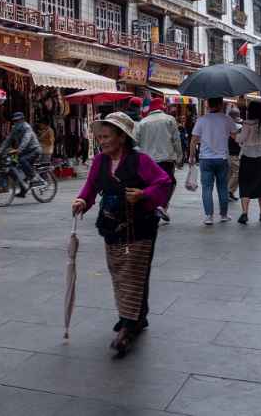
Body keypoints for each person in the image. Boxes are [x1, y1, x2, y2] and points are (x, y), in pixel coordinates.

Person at [71, 112, 172, 356]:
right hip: (111, 224)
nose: (102, 141)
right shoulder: (99, 162)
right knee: (119, 271)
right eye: (100, 137)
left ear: (122, 137)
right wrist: (82, 200)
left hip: (140, 226)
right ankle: (138, 316)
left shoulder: (141, 160)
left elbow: (163, 182)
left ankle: (127, 326)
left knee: (132, 273)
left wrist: (143, 194)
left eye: (107, 137)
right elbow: (92, 187)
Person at [189, 97, 240, 225]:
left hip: (205, 159)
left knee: (207, 188)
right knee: (222, 187)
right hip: (222, 159)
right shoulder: (227, 119)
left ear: (207, 105)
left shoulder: (201, 120)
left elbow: (193, 140)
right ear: (220, 104)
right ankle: (223, 215)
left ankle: (208, 216)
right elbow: (236, 137)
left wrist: (191, 156)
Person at [135, 97, 183, 222]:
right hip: (166, 158)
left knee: (150, 184)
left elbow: (136, 142)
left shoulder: (143, 122)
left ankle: (153, 208)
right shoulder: (169, 119)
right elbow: (176, 140)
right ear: (162, 108)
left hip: (147, 160)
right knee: (169, 183)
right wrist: (180, 157)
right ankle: (162, 206)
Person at [236, 100, 261, 224]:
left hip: (247, 157)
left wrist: (234, 136)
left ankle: (244, 213)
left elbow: (241, 139)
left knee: (245, 184)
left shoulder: (247, 124)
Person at [0, 112, 41, 194]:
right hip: (22, 151)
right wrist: (0, 150)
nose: (16, 122)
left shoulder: (27, 127)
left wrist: (18, 150)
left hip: (34, 150)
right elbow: (8, 140)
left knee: (22, 160)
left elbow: (26, 140)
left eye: (18, 120)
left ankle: (34, 177)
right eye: (15, 121)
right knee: (12, 166)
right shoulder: (14, 129)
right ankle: (23, 188)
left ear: (22, 120)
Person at [226, 107, 243, 202]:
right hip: (233, 153)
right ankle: (228, 191)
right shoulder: (235, 127)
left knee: (231, 173)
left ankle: (230, 192)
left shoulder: (227, 125)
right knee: (237, 173)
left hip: (230, 152)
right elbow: (238, 140)